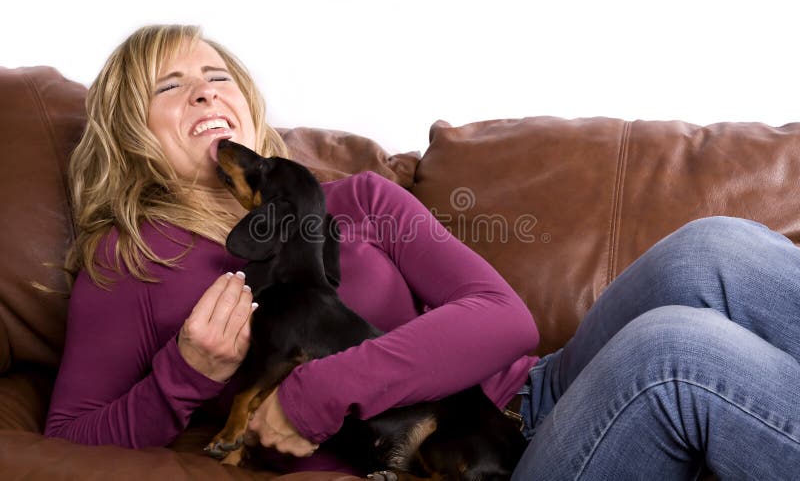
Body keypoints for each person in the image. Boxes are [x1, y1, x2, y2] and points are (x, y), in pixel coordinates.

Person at [44, 24, 800, 479]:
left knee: (714, 248)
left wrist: (318, 391)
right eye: (171, 87)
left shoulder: (360, 201)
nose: (207, 94)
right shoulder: (133, 263)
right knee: (675, 354)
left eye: (218, 77)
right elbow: (68, 444)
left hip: (531, 397)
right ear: (128, 130)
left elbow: (506, 320)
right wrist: (184, 375)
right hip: (473, 467)